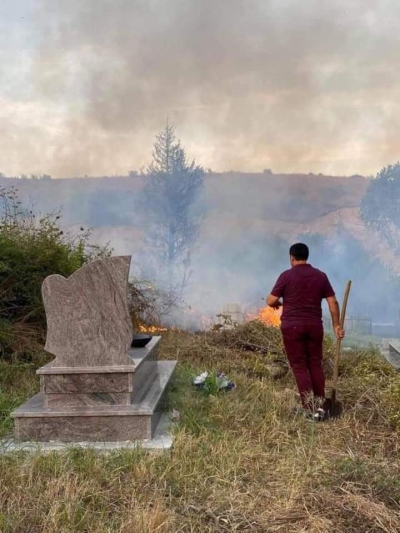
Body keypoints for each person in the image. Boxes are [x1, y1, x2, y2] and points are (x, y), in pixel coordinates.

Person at [266, 243, 344, 422]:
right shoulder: (320, 276)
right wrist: (336, 325)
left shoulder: (286, 276)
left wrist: (277, 304)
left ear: (291, 257)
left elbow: (271, 300)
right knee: (315, 364)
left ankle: (310, 409)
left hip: (292, 327)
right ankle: (321, 405)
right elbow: (333, 302)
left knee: (300, 366)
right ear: (307, 257)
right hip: (315, 326)